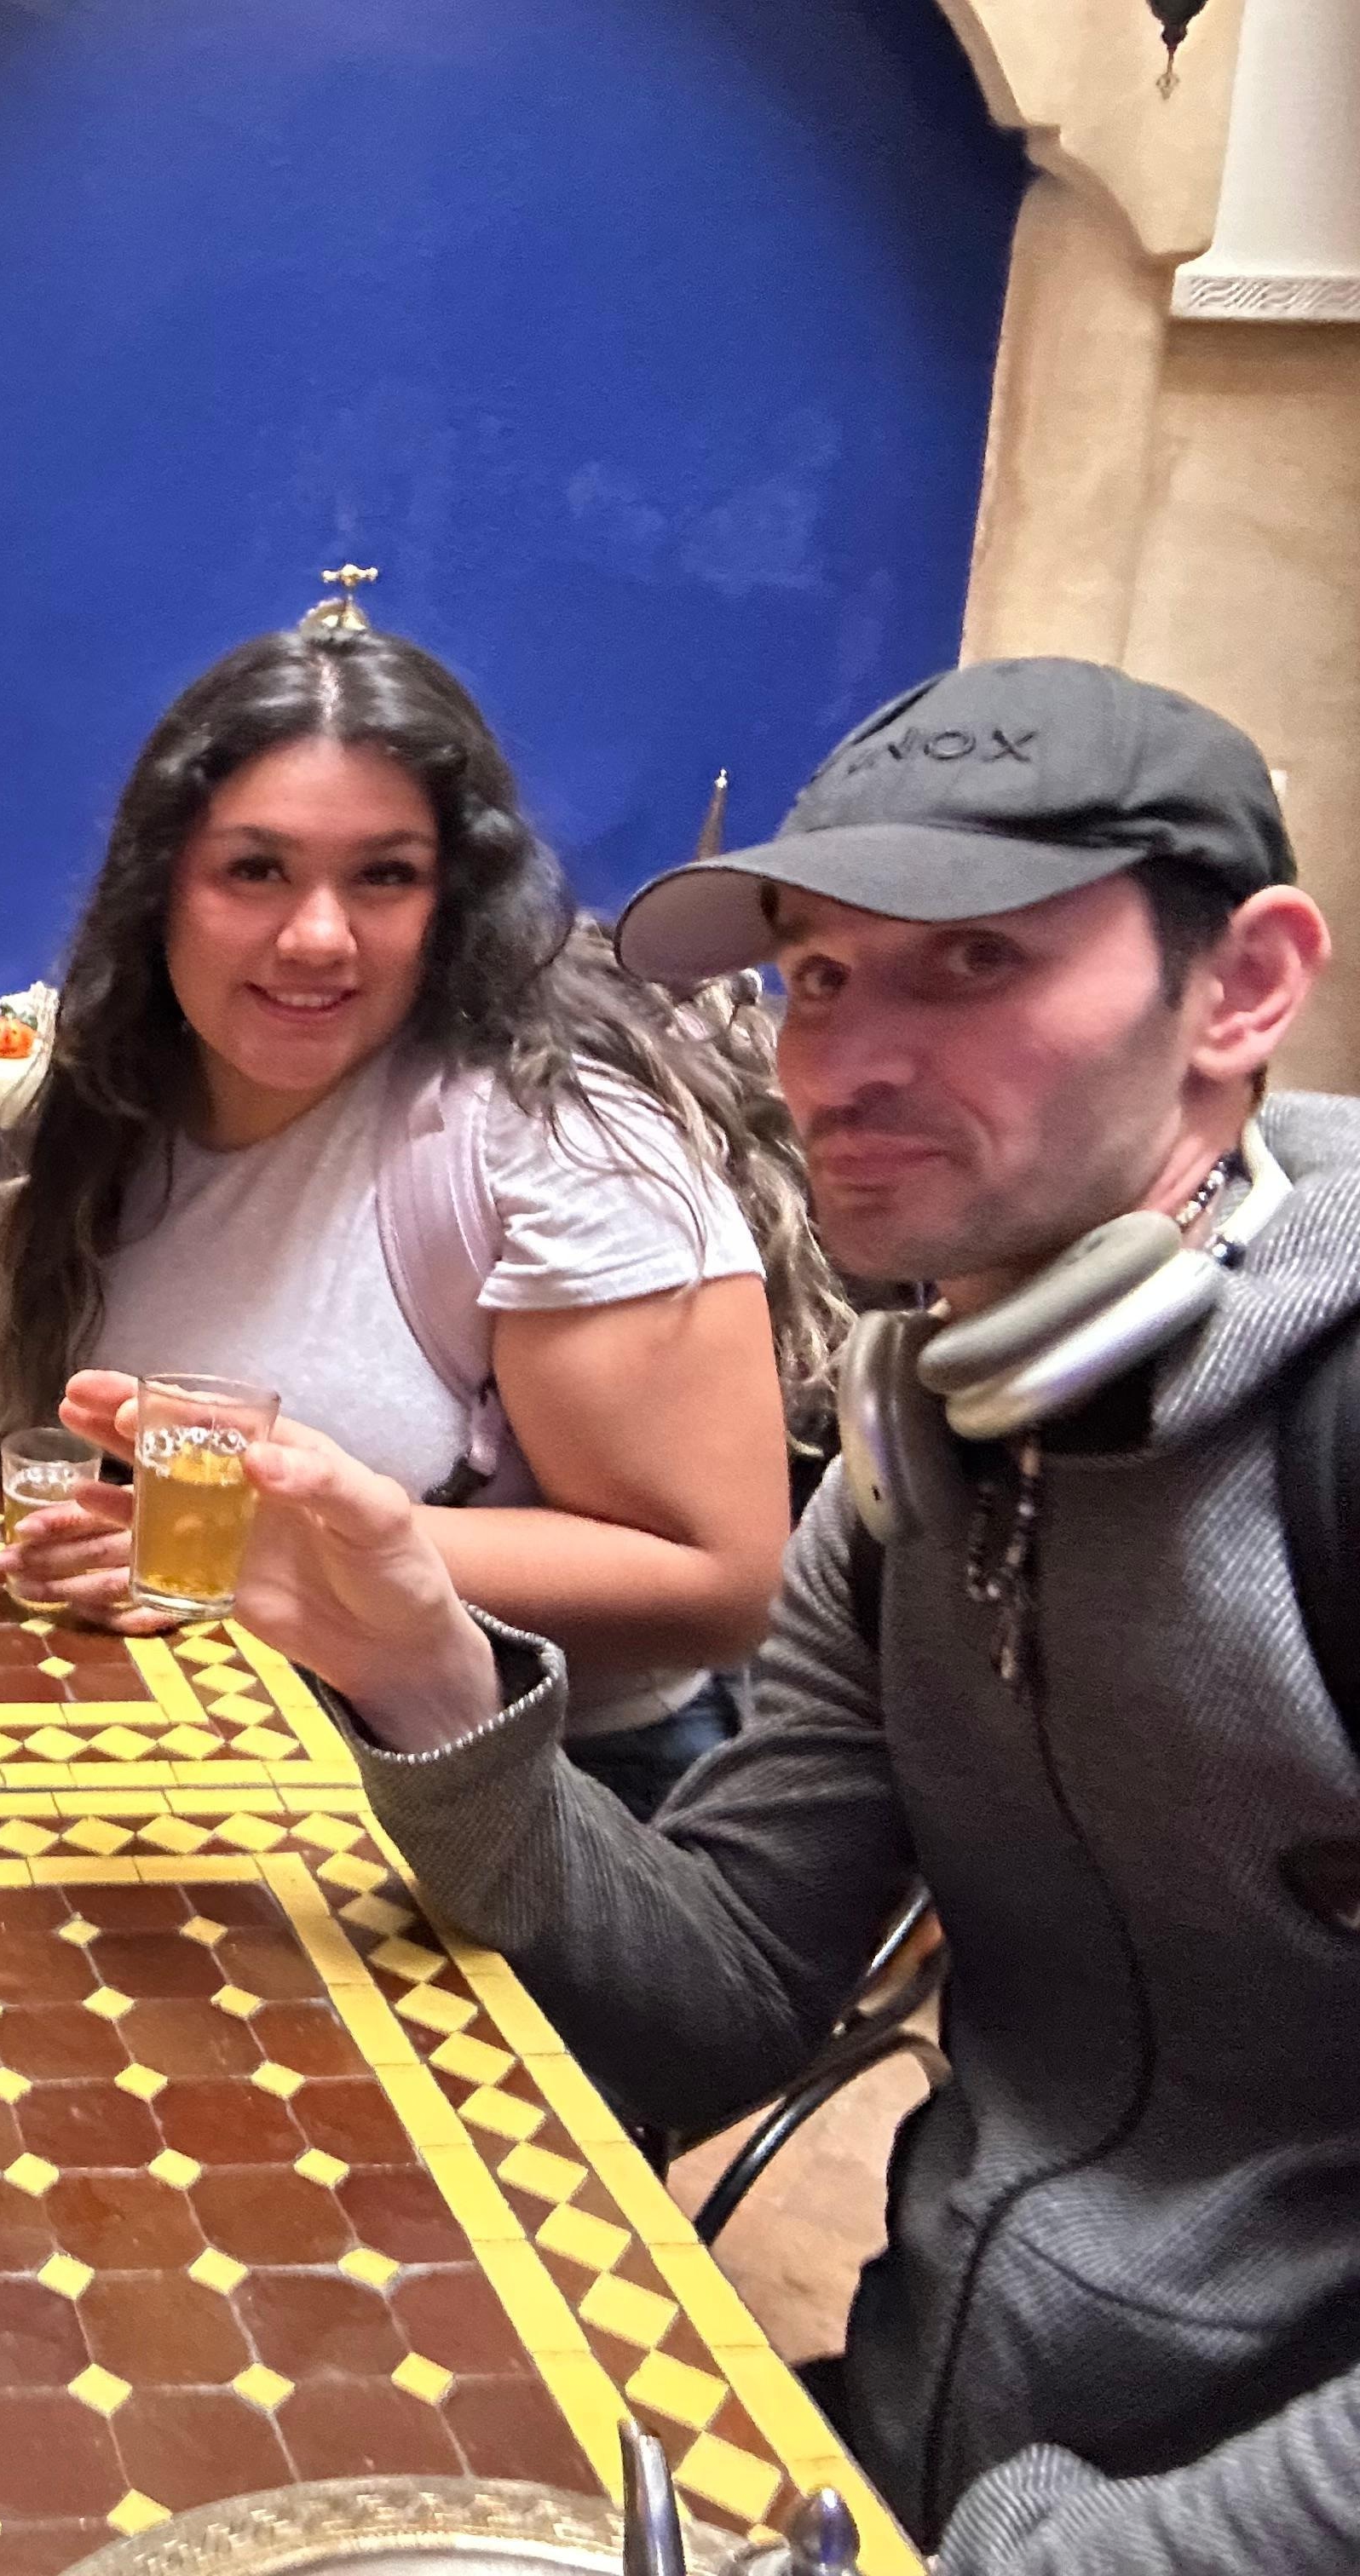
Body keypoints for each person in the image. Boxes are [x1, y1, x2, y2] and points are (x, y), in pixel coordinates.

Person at [153, 658, 1360, 2568]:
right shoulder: (916, 1459)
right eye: (821, 977)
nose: (841, 1065)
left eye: (975, 964)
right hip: (906, 2448)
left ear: (1246, 988)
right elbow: (716, 2000)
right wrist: (430, 1675)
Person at [0, 620, 844, 1815]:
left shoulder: (546, 1139)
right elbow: (211, 1291)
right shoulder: (148, 1082)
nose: (316, 937)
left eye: (384, 875)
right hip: (244, 1748)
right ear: (160, 890)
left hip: (544, 1799)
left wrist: (240, 1544)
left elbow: (719, 1581)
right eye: (256, 870)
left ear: (453, 898)